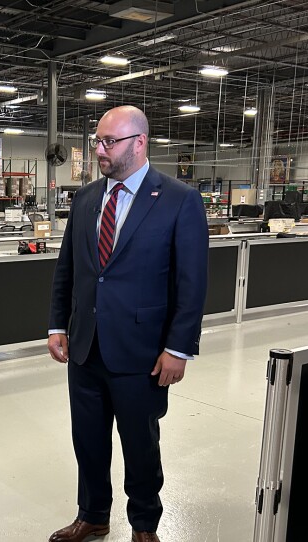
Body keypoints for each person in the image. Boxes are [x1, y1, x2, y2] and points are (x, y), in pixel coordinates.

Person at [47, 106, 208, 542]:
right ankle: (93, 514)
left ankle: (144, 525)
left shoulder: (178, 199)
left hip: (142, 352)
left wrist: (179, 348)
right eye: (97, 141)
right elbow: (70, 269)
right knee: (89, 442)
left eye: (108, 142)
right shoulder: (85, 199)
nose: (99, 150)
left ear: (139, 142)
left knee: (140, 445)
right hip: (85, 348)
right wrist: (56, 324)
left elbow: (191, 283)